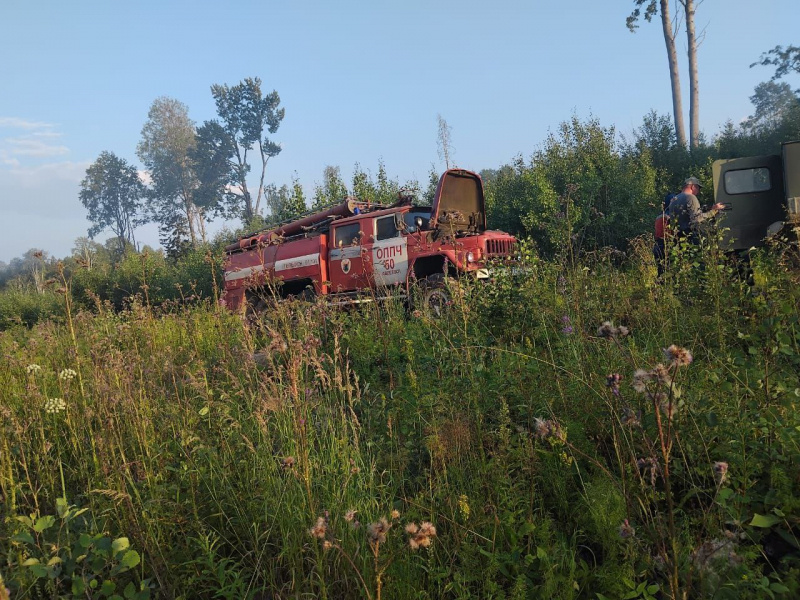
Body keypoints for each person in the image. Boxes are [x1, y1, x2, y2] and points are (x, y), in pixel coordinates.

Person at [668, 177, 725, 243]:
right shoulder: (691, 197)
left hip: (677, 237)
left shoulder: (674, 199)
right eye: (698, 188)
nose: (699, 191)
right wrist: (714, 211)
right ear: (693, 187)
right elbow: (697, 218)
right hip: (690, 236)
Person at [654, 192, 675, 277]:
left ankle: (660, 288)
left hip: (658, 245)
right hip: (666, 245)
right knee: (670, 272)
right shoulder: (669, 217)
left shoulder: (660, 215)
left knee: (661, 271)